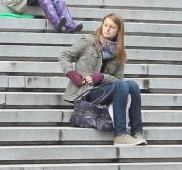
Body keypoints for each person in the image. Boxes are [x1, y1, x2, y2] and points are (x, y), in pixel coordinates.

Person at [58, 12, 147, 146]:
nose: (107, 29)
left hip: (104, 90)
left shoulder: (120, 53)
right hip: (85, 91)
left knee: (132, 85)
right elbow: (64, 56)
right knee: (123, 86)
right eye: (105, 25)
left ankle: (137, 132)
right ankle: (120, 134)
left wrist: (101, 77)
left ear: (118, 31)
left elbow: (118, 79)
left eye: (112, 27)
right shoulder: (88, 42)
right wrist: (72, 74)